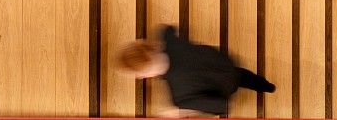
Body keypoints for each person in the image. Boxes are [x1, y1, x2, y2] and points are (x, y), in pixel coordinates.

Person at [118, 25, 275, 117]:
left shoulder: (181, 97)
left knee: (240, 79)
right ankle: (267, 86)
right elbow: (168, 28)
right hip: (224, 62)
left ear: (146, 74)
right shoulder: (169, 40)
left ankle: (267, 88)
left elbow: (221, 106)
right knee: (247, 77)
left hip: (226, 85)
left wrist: (180, 111)